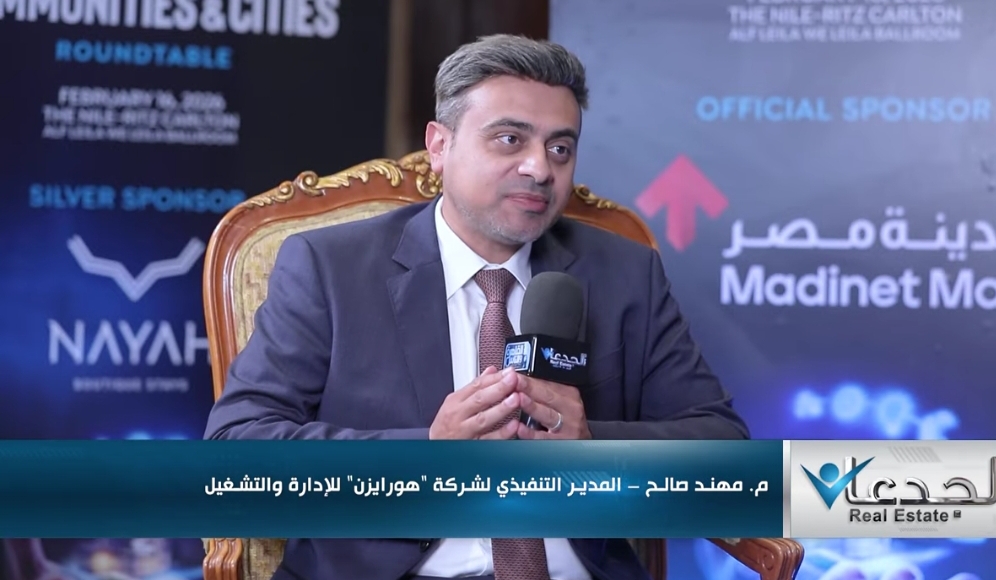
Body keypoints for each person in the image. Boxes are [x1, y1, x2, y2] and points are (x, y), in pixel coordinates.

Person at [204, 34, 749, 580]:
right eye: (510, 139)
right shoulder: (331, 268)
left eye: (560, 148)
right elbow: (235, 455)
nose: (540, 168)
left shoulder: (624, 274)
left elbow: (729, 454)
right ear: (439, 146)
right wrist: (428, 457)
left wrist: (592, 450)